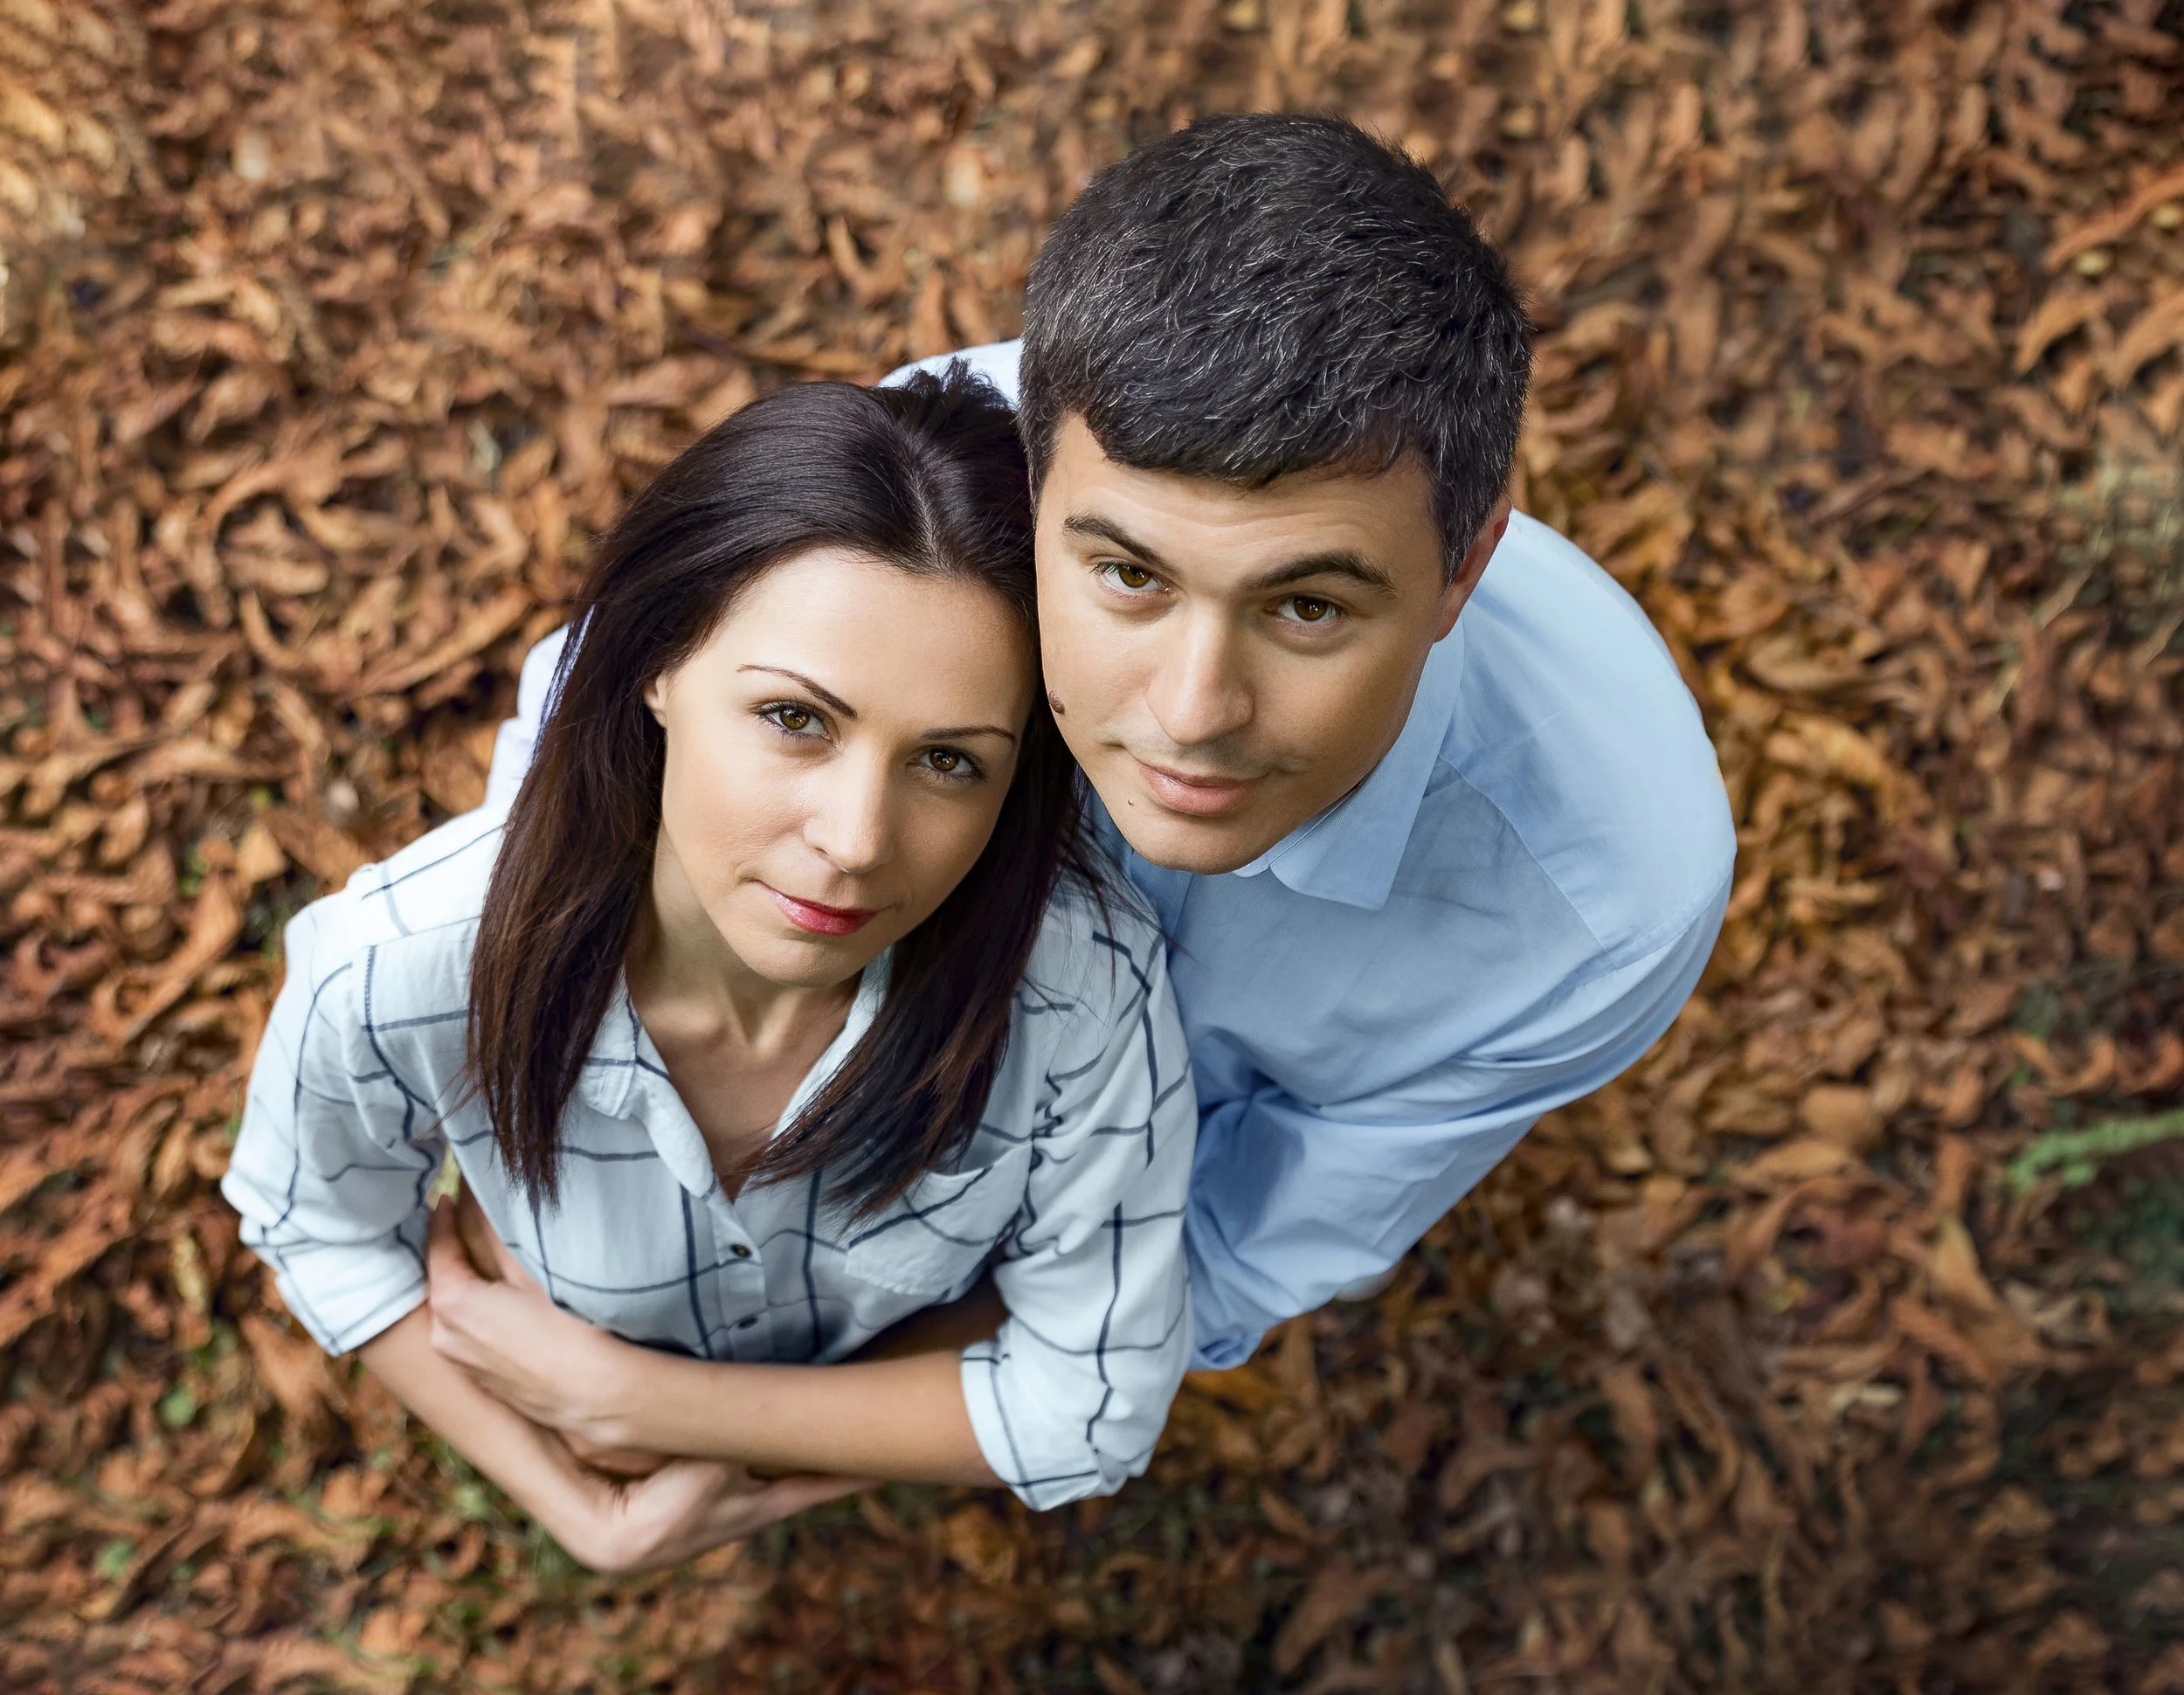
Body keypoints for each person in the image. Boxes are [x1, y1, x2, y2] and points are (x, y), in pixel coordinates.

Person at [484, 114, 1733, 1382]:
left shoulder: (1600, 911)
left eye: (1307, 607)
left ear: (1463, 570)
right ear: (1035, 499)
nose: (1194, 712)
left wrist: (721, 1418)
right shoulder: (961, 485)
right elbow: (579, 741)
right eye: (1130, 576)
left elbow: (1213, 1262)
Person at [223, 371, 1195, 1574]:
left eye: (949, 761)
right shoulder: (398, 967)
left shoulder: (1082, 998)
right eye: (797, 719)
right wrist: (581, 1509)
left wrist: (634, 1406)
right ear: (657, 665)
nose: (855, 839)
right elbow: (309, 1220)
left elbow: (1093, 1404)